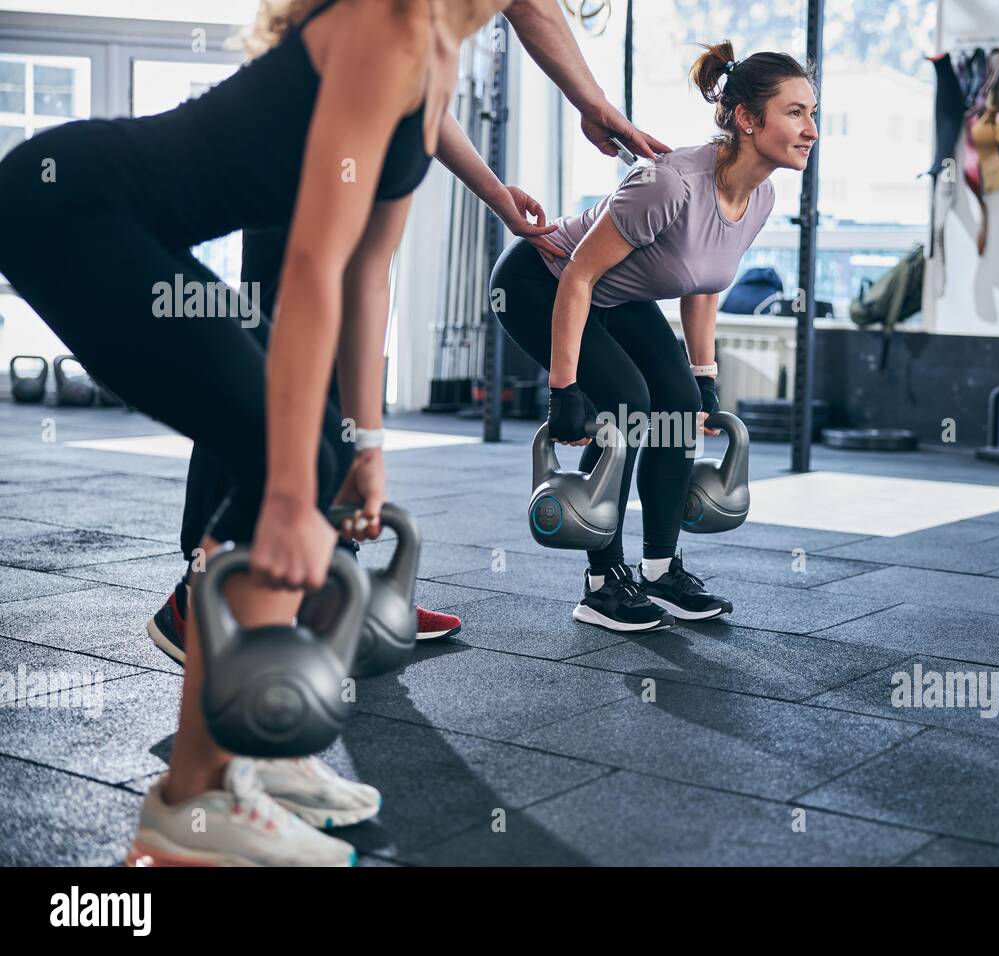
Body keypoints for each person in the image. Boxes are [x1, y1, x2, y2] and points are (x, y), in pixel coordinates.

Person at [0, 0, 664, 867]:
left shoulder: (432, 64)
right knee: (287, 457)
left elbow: (367, 276)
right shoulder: (385, 28)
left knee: (319, 454)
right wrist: (288, 491)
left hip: (122, 221)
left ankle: (252, 763)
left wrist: (369, 448)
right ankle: (193, 809)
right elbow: (313, 264)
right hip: (70, 210)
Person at [490, 40, 818, 633]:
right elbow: (579, 275)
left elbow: (703, 281)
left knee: (678, 405)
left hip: (615, 296)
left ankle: (661, 568)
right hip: (542, 282)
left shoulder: (759, 195)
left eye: (811, 113)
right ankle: (600, 584)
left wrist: (703, 375)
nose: (810, 129)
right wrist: (564, 390)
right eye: (795, 112)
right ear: (747, 118)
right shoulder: (669, 183)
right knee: (628, 406)